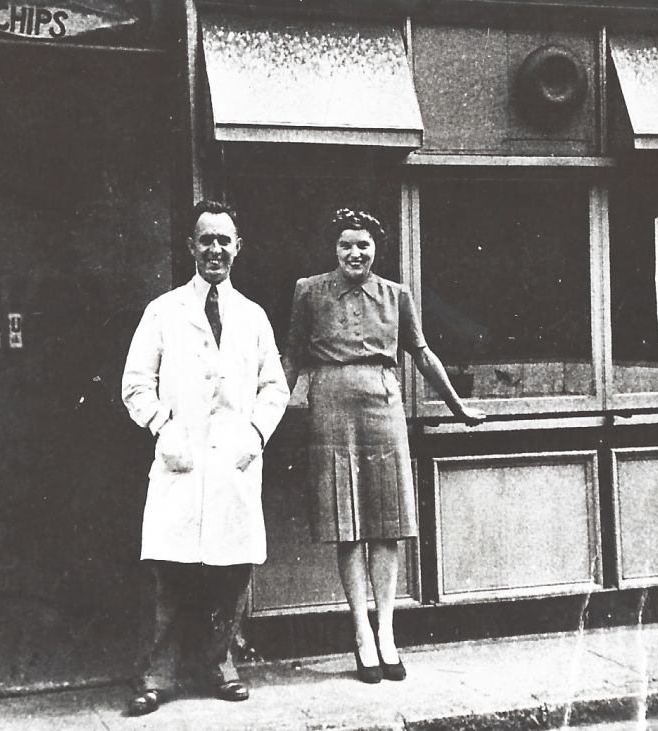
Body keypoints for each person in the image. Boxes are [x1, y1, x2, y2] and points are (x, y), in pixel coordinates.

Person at [283, 208, 486, 684]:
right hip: (330, 409)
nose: (355, 253)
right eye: (346, 245)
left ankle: (387, 633)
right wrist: (262, 416)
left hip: (382, 406)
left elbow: (421, 352)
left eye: (364, 245)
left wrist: (458, 408)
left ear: (378, 248)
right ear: (334, 249)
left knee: (387, 524)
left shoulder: (396, 295)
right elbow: (290, 356)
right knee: (348, 524)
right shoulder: (308, 291)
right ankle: (361, 637)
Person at [121, 200, 289, 716]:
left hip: (233, 462)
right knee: (172, 570)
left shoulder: (253, 315)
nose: (214, 249)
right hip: (181, 459)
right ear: (189, 247)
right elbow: (134, 385)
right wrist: (162, 427)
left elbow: (274, 388)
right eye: (205, 240)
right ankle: (158, 674)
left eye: (224, 240)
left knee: (230, 569)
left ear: (238, 247)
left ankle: (220, 664)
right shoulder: (163, 310)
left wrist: (255, 436)